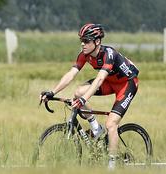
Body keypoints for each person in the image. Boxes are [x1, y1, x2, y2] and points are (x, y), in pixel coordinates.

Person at [40, 23, 139, 169]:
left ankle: (111, 167)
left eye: (86, 41)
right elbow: (71, 74)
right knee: (78, 92)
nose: (83, 44)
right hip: (110, 82)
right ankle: (96, 128)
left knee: (111, 124)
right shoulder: (85, 55)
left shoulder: (109, 54)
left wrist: (83, 100)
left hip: (127, 84)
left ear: (97, 41)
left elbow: (99, 79)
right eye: (81, 40)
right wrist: (53, 92)